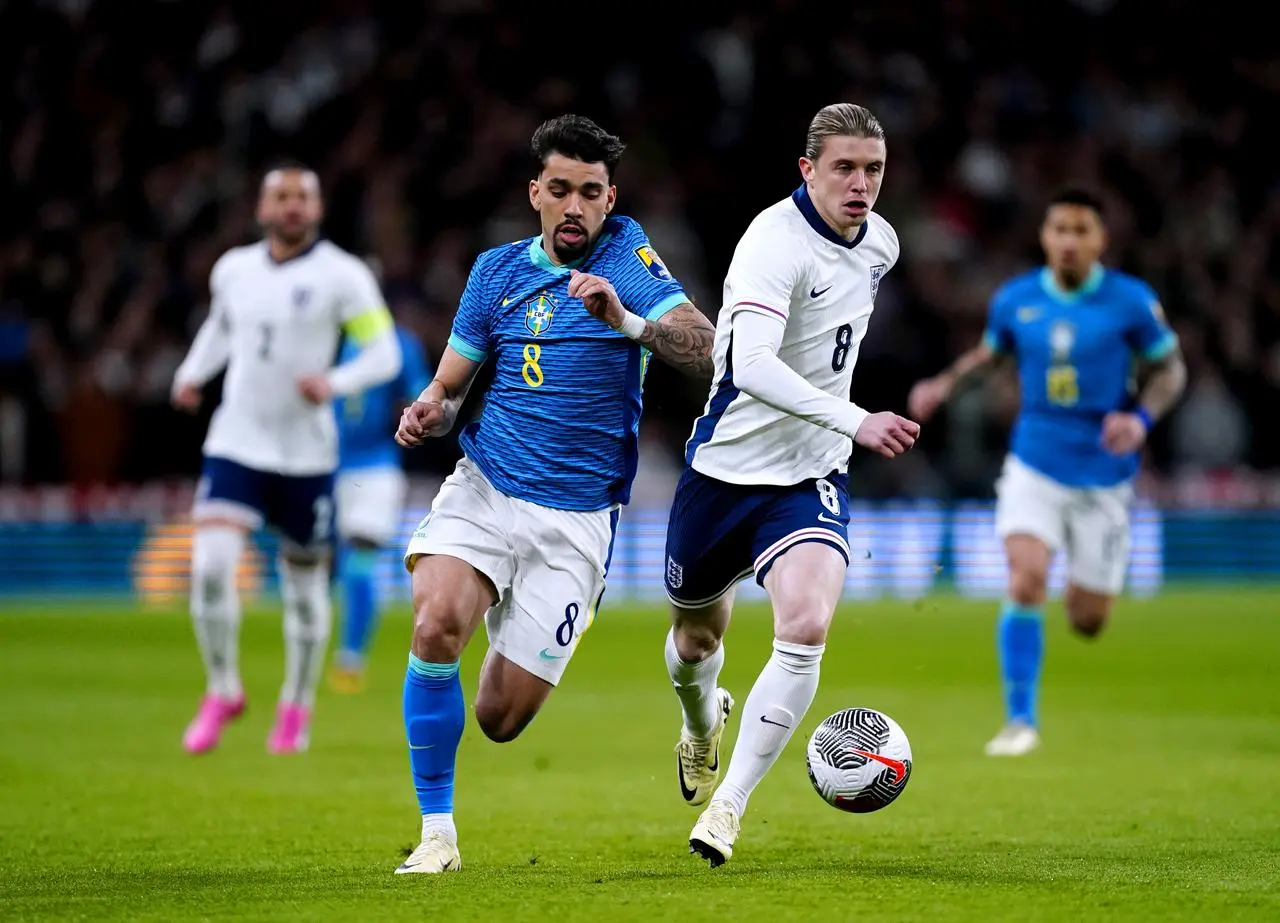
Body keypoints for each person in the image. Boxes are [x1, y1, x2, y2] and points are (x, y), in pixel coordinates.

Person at [391, 114, 717, 874]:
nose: (575, 206)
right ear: (535, 191)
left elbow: (704, 348)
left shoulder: (628, 258)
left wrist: (626, 319)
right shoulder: (495, 274)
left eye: (591, 193)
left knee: (501, 718)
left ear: (611, 199)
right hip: (488, 485)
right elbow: (448, 384)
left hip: (575, 520)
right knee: (436, 621)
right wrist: (430, 406)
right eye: (561, 189)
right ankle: (437, 832)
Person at [661, 103, 918, 867]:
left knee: (804, 625)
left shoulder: (882, 243)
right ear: (807, 169)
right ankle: (702, 724)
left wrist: (838, 431)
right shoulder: (774, 244)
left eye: (873, 169)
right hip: (722, 472)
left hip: (808, 477)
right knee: (693, 644)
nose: (861, 184)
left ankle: (728, 808)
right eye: (844, 167)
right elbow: (749, 365)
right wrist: (855, 415)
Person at [907, 187, 1186, 757]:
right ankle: (1019, 721)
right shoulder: (1016, 300)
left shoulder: (1131, 301)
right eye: (1059, 229)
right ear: (1044, 236)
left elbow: (1170, 370)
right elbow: (990, 357)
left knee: (1088, 620)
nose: (1068, 241)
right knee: (1026, 577)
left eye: (1081, 231)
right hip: (1034, 459)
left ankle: (1082, 582)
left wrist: (1140, 418)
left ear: (1101, 240)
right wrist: (942, 385)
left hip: (1105, 474)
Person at [171, 162, 402, 755]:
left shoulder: (343, 276)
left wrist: (335, 381)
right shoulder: (234, 270)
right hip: (236, 443)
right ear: (263, 206)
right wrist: (193, 374)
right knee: (210, 569)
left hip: (306, 455)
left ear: (318, 209)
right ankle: (223, 689)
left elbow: (382, 354)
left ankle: (296, 704)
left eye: (303, 196)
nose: (292, 205)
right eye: (281, 196)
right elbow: (222, 329)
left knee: (303, 593)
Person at [328, 321, 433, 693]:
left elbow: (420, 396)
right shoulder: (326, 335)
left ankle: (350, 658)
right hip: (326, 464)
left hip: (375, 467)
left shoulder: (400, 343)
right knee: (333, 566)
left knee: (360, 561)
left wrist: (407, 416)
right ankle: (330, 650)